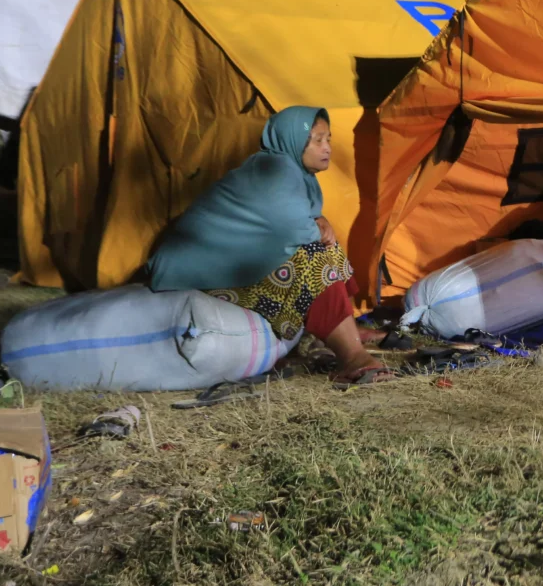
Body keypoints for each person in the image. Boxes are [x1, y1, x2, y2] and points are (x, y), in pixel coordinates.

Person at [146, 106, 392, 385]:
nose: (327, 148)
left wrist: (319, 220)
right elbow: (290, 226)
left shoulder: (295, 174)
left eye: (329, 139)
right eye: (317, 140)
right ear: (293, 140)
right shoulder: (275, 169)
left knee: (325, 248)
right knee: (311, 257)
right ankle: (353, 358)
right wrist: (316, 226)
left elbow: (295, 219)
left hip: (230, 263)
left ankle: (345, 330)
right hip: (195, 274)